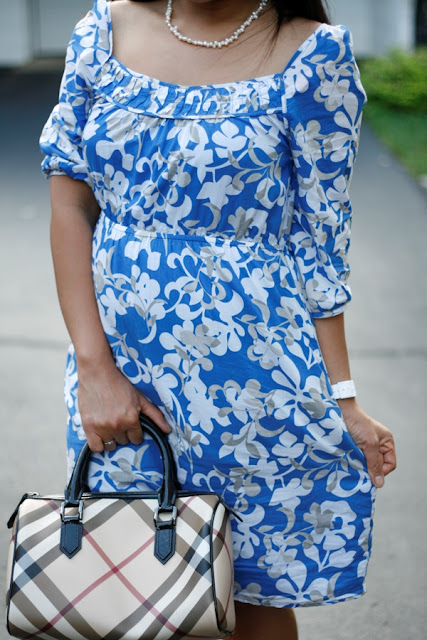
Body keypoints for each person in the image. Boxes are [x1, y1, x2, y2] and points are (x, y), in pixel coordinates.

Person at [39, 1, 396, 638]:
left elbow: (320, 247)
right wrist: (94, 371)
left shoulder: (314, 54)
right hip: (127, 381)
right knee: (128, 583)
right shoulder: (103, 32)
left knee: (253, 599)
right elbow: (69, 204)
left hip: (259, 393)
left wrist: (344, 399)